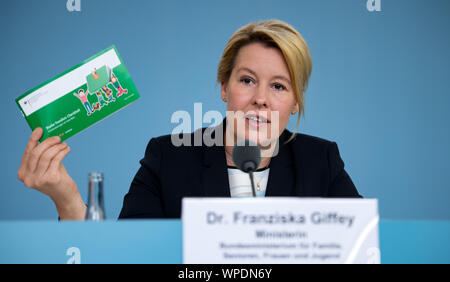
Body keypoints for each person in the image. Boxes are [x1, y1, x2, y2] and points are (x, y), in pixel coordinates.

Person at [17, 20, 361, 220]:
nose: (261, 97)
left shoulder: (320, 162)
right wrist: (66, 197)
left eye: (278, 86)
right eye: (246, 80)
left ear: (295, 102)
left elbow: (367, 250)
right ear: (223, 86)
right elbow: (120, 255)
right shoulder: (169, 157)